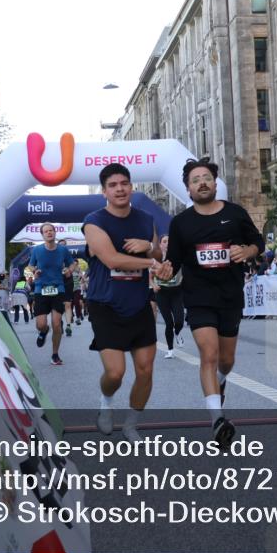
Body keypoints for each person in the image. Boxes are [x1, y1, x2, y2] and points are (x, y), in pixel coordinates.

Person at [157, 158, 265, 448]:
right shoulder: (181, 222)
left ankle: (221, 380)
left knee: (226, 361)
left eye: (206, 177)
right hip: (199, 296)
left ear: (215, 183)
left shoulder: (235, 213)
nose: (202, 182)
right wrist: (166, 268)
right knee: (209, 353)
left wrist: (247, 250)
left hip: (230, 295)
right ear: (188, 189)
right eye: (195, 180)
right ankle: (217, 418)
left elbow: (258, 242)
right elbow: (174, 259)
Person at [83, 163, 162, 441]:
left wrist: (150, 248)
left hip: (138, 301)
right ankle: (106, 405)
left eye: (124, 183)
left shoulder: (145, 219)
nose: (120, 189)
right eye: (113, 185)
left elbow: (159, 255)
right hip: (105, 303)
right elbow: (112, 259)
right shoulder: (94, 221)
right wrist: (151, 259)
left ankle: (131, 424)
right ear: (104, 191)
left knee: (145, 369)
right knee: (115, 373)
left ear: (131, 187)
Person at [29, 223, 76, 365]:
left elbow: (72, 263)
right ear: (42, 235)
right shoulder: (37, 250)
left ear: (55, 233)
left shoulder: (62, 250)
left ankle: (55, 354)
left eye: (51, 230)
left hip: (58, 288)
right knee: (41, 324)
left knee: (57, 324)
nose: (49, 233)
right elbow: (31, 265)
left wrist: (70, 270)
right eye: (46, 231)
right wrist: (34, 271)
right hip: (41, 289)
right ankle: (43, 332)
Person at [152, 235, 185, 359]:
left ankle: (177, 332)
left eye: (169, 241)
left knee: (179, 320)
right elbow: (149, 277)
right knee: (169, 323)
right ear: (160, 244)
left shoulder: (179, 256)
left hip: (177, 292)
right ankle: (170, 350)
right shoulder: (156, 259)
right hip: (162, 293)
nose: (167, 244)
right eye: (164, 241)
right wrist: (154, 285)